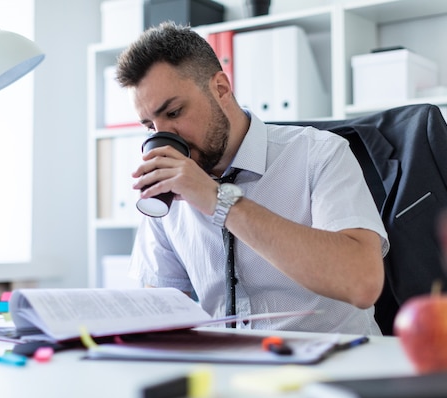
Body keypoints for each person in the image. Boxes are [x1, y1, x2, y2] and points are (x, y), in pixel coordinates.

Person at [117, 22, 389, 335]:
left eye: (175, 112)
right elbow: (160, 312)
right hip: (228, 373)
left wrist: (219, 201)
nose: (164, 136)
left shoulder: (320, 154)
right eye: (150, 127)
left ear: (220, 88)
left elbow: (362, 283)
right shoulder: (169, 185)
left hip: (334, 367)